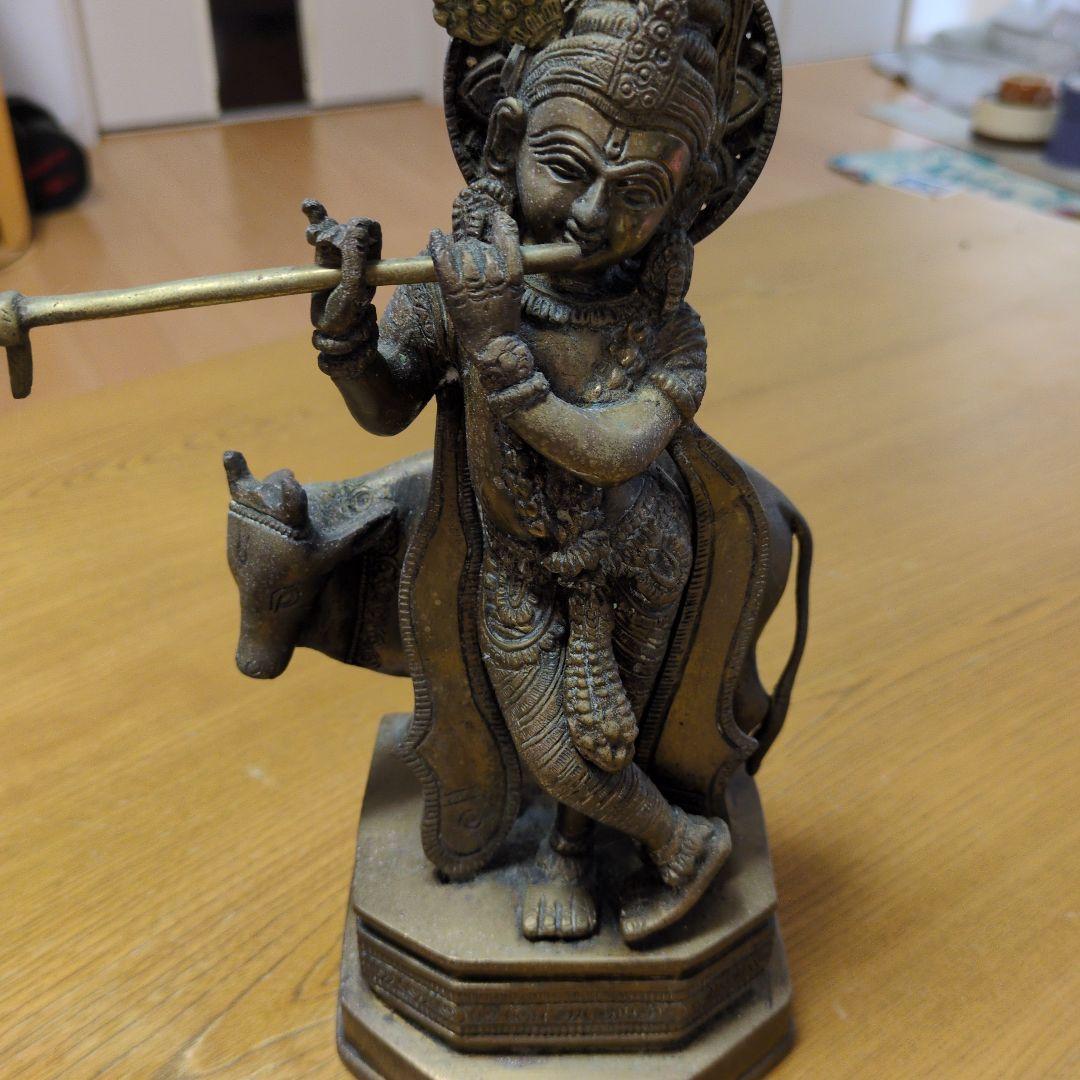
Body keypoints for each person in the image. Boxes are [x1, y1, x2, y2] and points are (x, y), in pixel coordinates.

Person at [306, 0, 746, 944]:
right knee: (554, 745)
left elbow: (615, 448)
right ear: (507, 141)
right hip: (515, 568)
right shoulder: (464, 287)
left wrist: (500, 350)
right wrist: (347, 335)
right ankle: (679, 843)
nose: (592, 217)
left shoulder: (667, 332)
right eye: (566, 168)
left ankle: (574, 853)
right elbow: (388, 406)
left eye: (637, 193)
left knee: (607, 737)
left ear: (683, 202)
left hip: (638, 557)